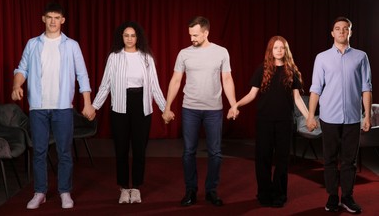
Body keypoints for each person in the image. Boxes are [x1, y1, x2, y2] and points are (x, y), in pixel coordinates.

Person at [11, 2, 94, 209]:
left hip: (63, 107)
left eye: (57, 18)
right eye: (49, 17)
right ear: (43, 19)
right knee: (39, 151)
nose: (53, 21)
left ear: (62, 20)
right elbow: (22, 69)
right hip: (37, 107)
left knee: (64, 151)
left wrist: (87, 103)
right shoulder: (33, 44)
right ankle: (40, 192)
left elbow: (81, 74)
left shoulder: (72, 45)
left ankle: (65, 192)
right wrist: (16, 85)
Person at [162, 16, 236, 207]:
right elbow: (176, 80)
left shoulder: (221, 52)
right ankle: (191, 190)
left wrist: (233, 104)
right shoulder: (184, 54)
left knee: (215, 153)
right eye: (190, 35)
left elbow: (227, 79)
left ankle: (211, 190)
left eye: (195, 35)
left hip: (214, 110)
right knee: (188, 152)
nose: (192, 38)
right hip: (190, 109)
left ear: (206, 32)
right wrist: (167, 107)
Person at [90, 21, 166, 204]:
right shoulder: (114, 57)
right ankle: (124, 188)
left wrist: (165, 108)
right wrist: (94, 106)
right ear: (121, 37)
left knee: (139, 149)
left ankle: (136, 188)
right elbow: (105, 84)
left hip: (142, 106)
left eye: (133, 35)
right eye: (126, 35)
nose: (130, 39)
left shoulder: (147, 57)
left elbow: (155, 86)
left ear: (137, 37)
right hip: (120, 107)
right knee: (121, 149)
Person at [227, 35, 308, 208]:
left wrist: (309, 116)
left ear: (286, 50)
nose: (279, 50)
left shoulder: (291, 71)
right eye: (276, 47)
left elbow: (298, 99)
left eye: (282, 48)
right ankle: (264, 193)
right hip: (264, 121)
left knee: (282, 159)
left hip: (284, 122)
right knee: (263, 158)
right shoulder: (262, 70)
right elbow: (251, 94)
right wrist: (235, 105)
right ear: (270, 51)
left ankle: (279, 194)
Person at [306, 16, 372, 214]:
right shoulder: (322, 58)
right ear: (332, 33)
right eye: (338, 28)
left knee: (349, 160)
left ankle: (348, 197)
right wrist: (311, 116)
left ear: (350, 32)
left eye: (345, 28)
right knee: (329, 159)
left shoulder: (361, 56)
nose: (342, 31)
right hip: (329, 117)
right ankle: (333, 196)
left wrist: (367, 115)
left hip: (353, 117)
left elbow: (366, 88)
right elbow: (315, 89)